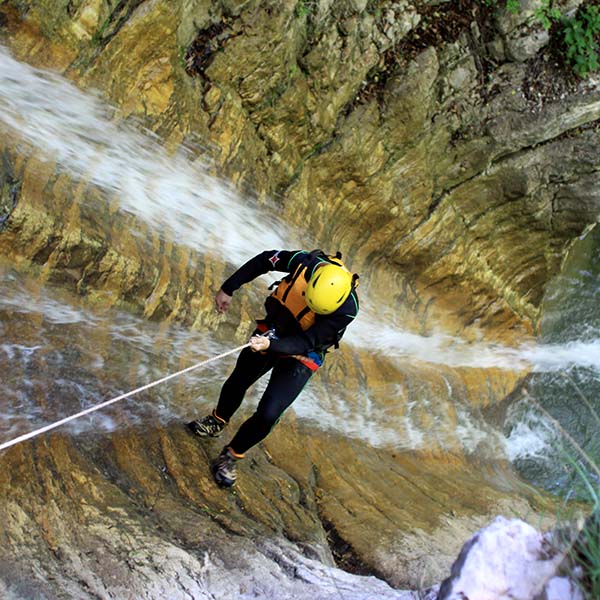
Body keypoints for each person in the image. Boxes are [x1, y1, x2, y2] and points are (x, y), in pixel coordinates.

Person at [187, 249, 359, 487]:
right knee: (240, 379)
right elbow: (264, 260)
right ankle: (218, 420)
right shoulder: (304, 263)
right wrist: (229, 287)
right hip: (276, 327)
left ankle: (231, 455)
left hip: (304, 350)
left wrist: (270, 344)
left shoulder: (347, 308)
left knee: (269, 413)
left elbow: (307, 341)